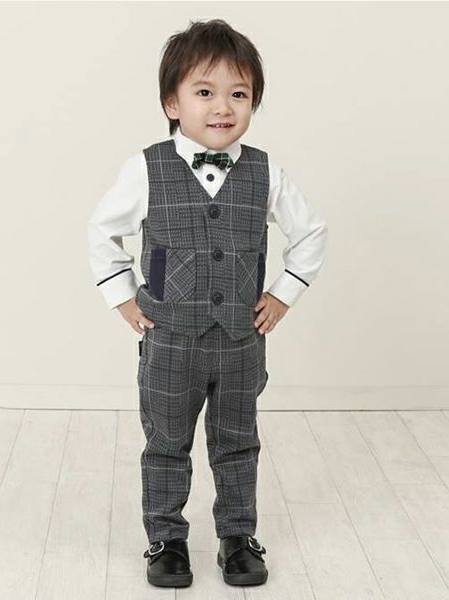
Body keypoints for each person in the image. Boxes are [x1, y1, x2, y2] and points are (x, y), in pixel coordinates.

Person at [87, 18, 328, 589]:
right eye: (204, 92)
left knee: (238, 442)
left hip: (241, 345)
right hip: (170, 341)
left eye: (238, 94)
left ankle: (236, 537)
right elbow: (102, 231)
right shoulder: (146, 168)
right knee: (166, 443)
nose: (222, 107)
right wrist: (123, 297)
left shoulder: (266, 172)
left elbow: (311, 232)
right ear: (172, 103)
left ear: (253, 103)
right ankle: (166, 539)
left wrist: (284, 293)